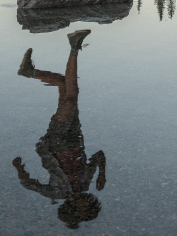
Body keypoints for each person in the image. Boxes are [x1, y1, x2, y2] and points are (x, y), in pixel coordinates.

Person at [13, 29, 107, 229]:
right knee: (64, 86)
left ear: (74, 207)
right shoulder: (84, 184)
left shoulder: (57, 193)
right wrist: (101, 174)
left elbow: (31, 185)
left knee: (71, 97)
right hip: (74, 137)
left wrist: (20, 169)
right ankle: (28, 71)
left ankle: (74, 46)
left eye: (85, 207)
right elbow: (99, 155)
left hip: (56, 143)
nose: (88, 201)